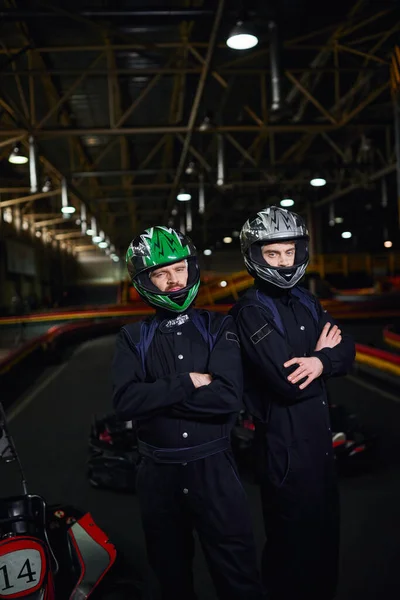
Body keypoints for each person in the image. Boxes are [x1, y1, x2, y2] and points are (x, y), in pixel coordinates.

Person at [112, 226, 263, 600]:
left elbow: (228, 397)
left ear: (191, 269)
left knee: (238, 573)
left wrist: (157, 395)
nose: (172, 280)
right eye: (160, 274)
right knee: (171, 575)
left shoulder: (219, 325)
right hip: (157, 474)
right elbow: (125, 402)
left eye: (178, 269)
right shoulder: (132, 338)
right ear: (144, 281)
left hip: (213, 468)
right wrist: (188, 382)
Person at [230, 206, 355, 600]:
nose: (283, 262)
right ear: (255, 256)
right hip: (284, 449)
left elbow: (347, 349)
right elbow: (289, 381)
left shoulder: (307, 301)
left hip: (319, 443)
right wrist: (322, 361)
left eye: (288, 253)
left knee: (325, 542)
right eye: (272, 254)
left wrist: (320, 360)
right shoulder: (250, 311)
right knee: (291, 548)